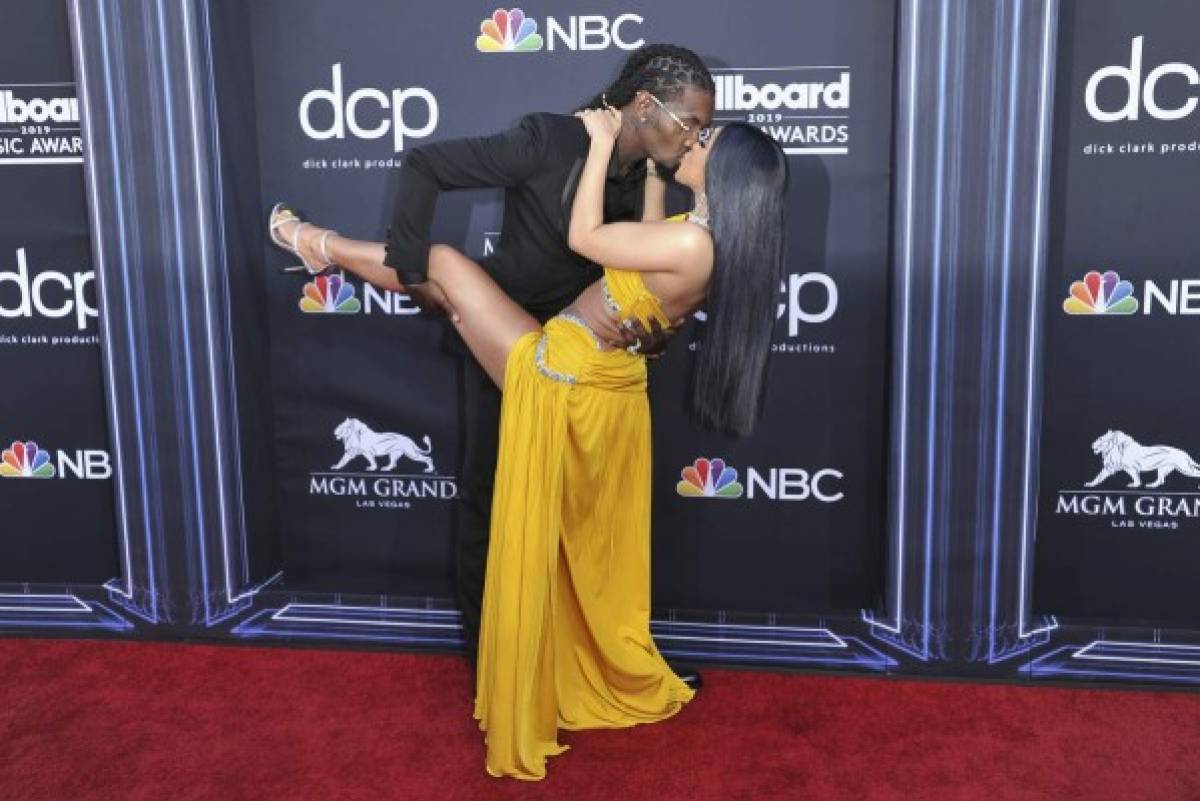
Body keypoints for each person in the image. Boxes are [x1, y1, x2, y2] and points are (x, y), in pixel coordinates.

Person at [269, 108, 788, 778]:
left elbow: (587, 235)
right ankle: (318, 246)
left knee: (446, 267)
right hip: (600, 386)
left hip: (560, 376)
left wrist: (600, 144)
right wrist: (658, 169)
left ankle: (316, 244)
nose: (693, 139)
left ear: (728, 173)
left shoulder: (693, 245)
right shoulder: (702, 236)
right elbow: (648, 238)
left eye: (705, 141)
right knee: (448, 285)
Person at [273, 45, 717, 685]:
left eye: (703, 130)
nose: (695, 139)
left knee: (593, 519)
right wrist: (413, 274)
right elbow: (425, 164)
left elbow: (641, 288)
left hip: (589, 366)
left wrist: (654, 332)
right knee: (493, 504)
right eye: (690, 124)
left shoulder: (654, 178)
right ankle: (496, 667)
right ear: (644, 104)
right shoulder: (550, 139)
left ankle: (613, 657)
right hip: (507, 350)